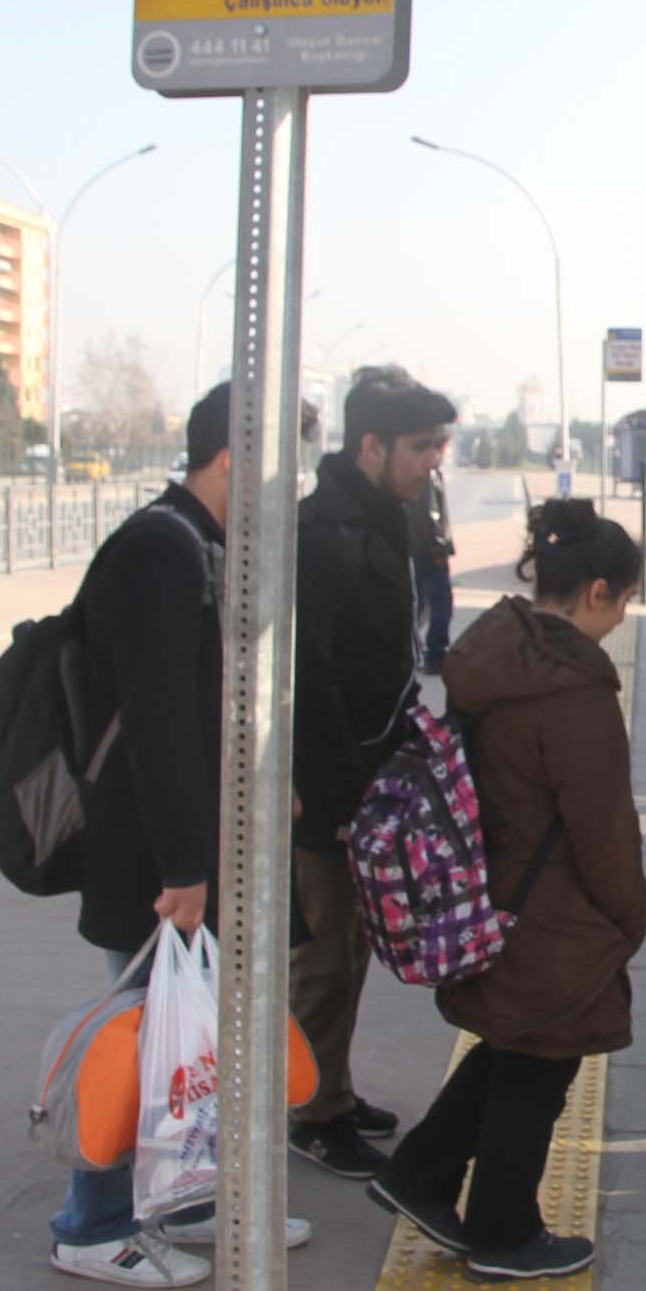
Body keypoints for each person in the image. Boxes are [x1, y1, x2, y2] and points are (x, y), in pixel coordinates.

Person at [49, 383, 314, 1286]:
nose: (294, 488)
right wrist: (185, 867)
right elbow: (162, 722)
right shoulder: (159, 553)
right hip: (155, 850)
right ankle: (91, 1223)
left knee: (196, 1039)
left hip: (194, 843)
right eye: (285, 468)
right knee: (138, 1037)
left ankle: (188, 1197)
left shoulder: (200, 541)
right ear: (234, 461)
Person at [369, 498, 645, 1281]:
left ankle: (420, 1174)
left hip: (493, 890)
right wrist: (629, 917)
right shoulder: (576, 695)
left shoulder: (494, 659)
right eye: (623, 601)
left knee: (514, 1046)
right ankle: (502, 1232)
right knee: (545, 1060)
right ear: (596, 591)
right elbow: (605, 830)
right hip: (558, 910)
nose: (621, 619)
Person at [286, 366, 456, 1180]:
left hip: (367, 772)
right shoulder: (324, 535)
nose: (435, 461)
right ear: (371, 445)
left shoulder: (386, 517)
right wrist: (344, 793)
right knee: (324, 955)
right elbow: (308, 678)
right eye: (422, 446)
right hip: (329, 787)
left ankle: (333, 1089)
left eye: (440, 444)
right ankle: (309, 1112)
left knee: (351, 948)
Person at [418, 463, 457, 672]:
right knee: (441, 601)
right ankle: (436, 653)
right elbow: (430, 512)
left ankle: (415, 650)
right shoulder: (428, 474)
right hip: (430, 551)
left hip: (413, 549)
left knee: (417, 602)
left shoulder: (405, 470)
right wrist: (439, 545)